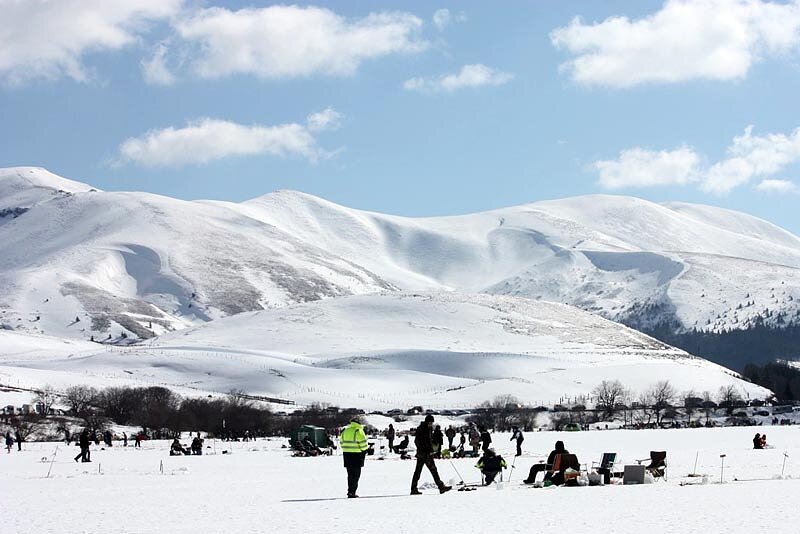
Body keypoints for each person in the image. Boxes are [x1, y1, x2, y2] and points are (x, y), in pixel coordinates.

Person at [410, 415, 452, 495]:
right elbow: (417, 441)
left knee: (419, 471)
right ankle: (441, 487)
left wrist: (434, 442)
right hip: (424, 454)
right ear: (427, 422)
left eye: (432, 423)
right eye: (430, 423)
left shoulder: (428, 429)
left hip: (424, 454)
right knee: (433, 470)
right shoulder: (422, 429)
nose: (431, 424)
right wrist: (425, 449)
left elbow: (428, 440)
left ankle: (413, 489)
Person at [340, 418, 369, 498]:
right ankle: (352, 492)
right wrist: (365, 450)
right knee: (356, 475)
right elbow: (363, 445)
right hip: (357, 456)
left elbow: (341, 442)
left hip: (347, 455)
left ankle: (350, 491)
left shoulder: (345, 430)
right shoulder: (359, 431)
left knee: (350, 475)